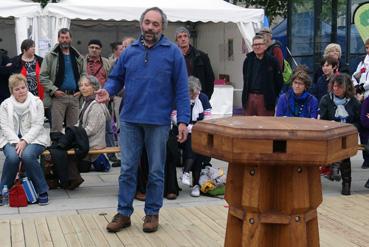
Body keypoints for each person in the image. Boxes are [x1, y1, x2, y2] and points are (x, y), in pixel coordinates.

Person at [96, 7, 190, 233]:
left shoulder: (173, 52)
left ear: (163, 27)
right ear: (141, 24)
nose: (150, 27)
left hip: (158, 122)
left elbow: (182, 90)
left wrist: (184, 121)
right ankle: (124, 213)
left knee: (156, 171)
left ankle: (152, 213)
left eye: (155, 24)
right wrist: (107, 91)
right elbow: (116, 77)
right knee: (127, 169)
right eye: (147, 22)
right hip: (129, 120)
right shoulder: (130, 51)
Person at [0, 74, 50, 205]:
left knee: (28, 155)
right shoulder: (5, 105)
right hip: (11, 139)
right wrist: (17, 142)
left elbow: (38, 125)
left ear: (27, 87)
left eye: (23, 87)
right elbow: (4, 127)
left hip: (35, 138)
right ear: (12, 91)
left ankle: (42, 190)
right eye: (17, 89)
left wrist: (25, 141)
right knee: (12, 157)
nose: (21, 91)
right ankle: (3, 190)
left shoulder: (37, 102)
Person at [319, 74, 360, 195]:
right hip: (331, 134)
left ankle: (340, 175)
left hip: (348, 135)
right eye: (334, 86)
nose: (336, 89)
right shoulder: (326, 100)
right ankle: (342, 179)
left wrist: (349, 128)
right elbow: (323, 120)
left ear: (346, 88)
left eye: (339, 87)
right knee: (343, 152)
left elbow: (358, 122)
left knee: (344, 151)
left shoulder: (354, 102)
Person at [40, 28, 85, 132]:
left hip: (75, 97)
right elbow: (43, 76)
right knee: (56, 129)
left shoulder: (78, 57)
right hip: (58, 97)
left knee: (73, 129)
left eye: (67, 37)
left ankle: (72, 148)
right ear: (58, 39)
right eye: (62, 37)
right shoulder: (50, 56)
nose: (64, 40)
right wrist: (54, 90)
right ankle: (56, 148)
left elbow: (84, 74)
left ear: (71, 39)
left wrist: (81, 90)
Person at [83, 39, 119, 165]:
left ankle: (111, 154)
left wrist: (110, 94)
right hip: (86, 99)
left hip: (103, 99)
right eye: (92, 47)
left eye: (97, 48)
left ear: (100, 50)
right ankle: (87, 155)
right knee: (87, 126)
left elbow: (112, 79)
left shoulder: (106, 63)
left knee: (109, 127)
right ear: (88, 48)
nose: (94, 49)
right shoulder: (82, 62)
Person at [174, 76, 212, 197]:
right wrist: (188, 128)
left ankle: (186, 172)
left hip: (198, 131)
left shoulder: (203, 98)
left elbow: (208, 117)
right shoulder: (180, 98)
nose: (195, 96)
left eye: (196, 93)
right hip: (181, 133)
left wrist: (193, 128)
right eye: (192, 94)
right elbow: (174, 117)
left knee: (196, 143)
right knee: (193, 142)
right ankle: (194, 183)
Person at [242, 34, 283, 116]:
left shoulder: (272, 61)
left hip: (265, 98)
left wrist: (272, 94)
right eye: (255, 45)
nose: (257, 47)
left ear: (265, 46)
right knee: (248, 125)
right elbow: (245, 79)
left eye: (260, 44)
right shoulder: (248, 60)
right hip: (250, 97)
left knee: (265, 125)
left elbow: (279, 81)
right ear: (252, 47)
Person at [175, 26, 215, 99]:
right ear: (176, 40)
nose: (183, 39)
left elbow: (210, 78)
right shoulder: (173, 58)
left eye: (185, 36)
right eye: (179, 37)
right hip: (180, 97)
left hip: (198, 96)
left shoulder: (202, 56)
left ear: (189, 38)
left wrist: (206, 97)